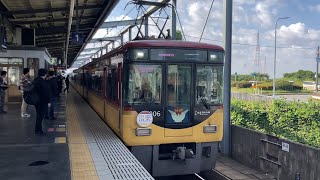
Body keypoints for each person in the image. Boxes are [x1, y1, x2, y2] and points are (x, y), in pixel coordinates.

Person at [33, 69, 51, 135]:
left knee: (39, 116)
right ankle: (38, 131)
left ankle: (38, 130)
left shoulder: (35, 80)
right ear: (44, 74)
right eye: (46, 73)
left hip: (36, 101)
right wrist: (48, 102)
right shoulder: (42, 82)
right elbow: (46, 93)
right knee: (40, 116)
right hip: (42, 102)